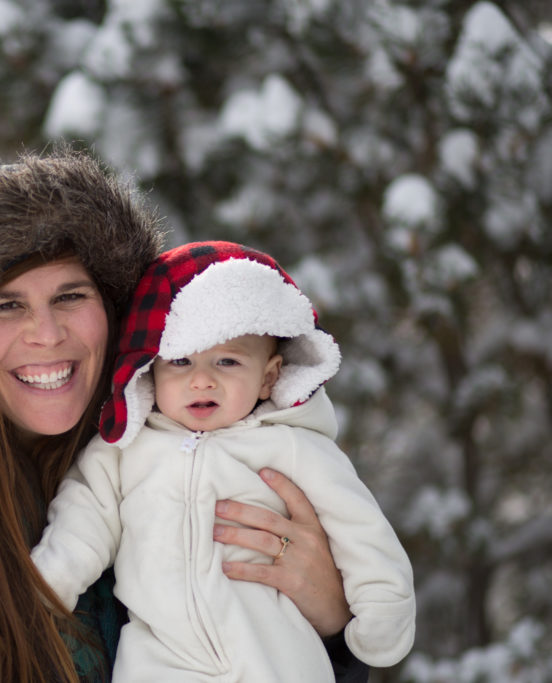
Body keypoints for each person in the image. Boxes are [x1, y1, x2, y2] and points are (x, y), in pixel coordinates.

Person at [0, 150, 370, 682]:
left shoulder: (192, 449)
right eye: (6, 305)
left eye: (70, 296)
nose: (49, 333)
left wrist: (329, 625)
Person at [32, 241, 415, 680]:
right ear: (149, 370)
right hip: (162, 662)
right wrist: (50, 581)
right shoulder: (125, 450)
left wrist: (382, 611)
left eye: (227, 361)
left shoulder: (294, 448)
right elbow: (86, 514)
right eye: (179, 360)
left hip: (275, 658)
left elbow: (359, 527)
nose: (201, 380)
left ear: (269, 376)